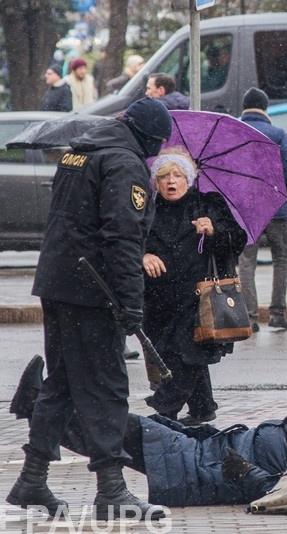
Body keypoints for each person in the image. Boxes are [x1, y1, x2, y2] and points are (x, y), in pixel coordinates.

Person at [7, 98, 171, 520]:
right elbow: (122, 238)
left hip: (59, 283)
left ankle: (32, 477)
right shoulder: (124, 164)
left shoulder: (79, 152)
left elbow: (69, 220)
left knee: (61, 383)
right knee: (107, 386)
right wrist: (132, 302)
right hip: (92, 292)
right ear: (150, 139)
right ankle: (111, 490)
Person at [9, 363, 287, 508]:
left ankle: (38, 404)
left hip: (198, 469)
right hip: (198, 452)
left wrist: (240, 470)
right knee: (110, 434)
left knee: (113, 426)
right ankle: (37, 406)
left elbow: (275, 494)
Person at [142, 148, 247, 424]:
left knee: (186, 355)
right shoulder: (147, 211)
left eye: (177, 175)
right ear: (156, 182)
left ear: (189, 180)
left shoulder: (208, 205)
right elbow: (128, 243)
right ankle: (203, 408)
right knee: (173, 354)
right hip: (158, 300)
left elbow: (237, 241)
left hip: (198, 299)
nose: (171, 181)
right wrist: (144, 255)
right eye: (164, 176)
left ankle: (164, 411)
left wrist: (214, 231)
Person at [239, 88, 287, 330]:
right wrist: (286, 196)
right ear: (264, 108)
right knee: (281, 258)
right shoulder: (276, 133)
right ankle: (277, 313)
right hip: (275, 208)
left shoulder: (237, 132)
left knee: (246, 261)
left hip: (246, 209)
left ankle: (250, 317)